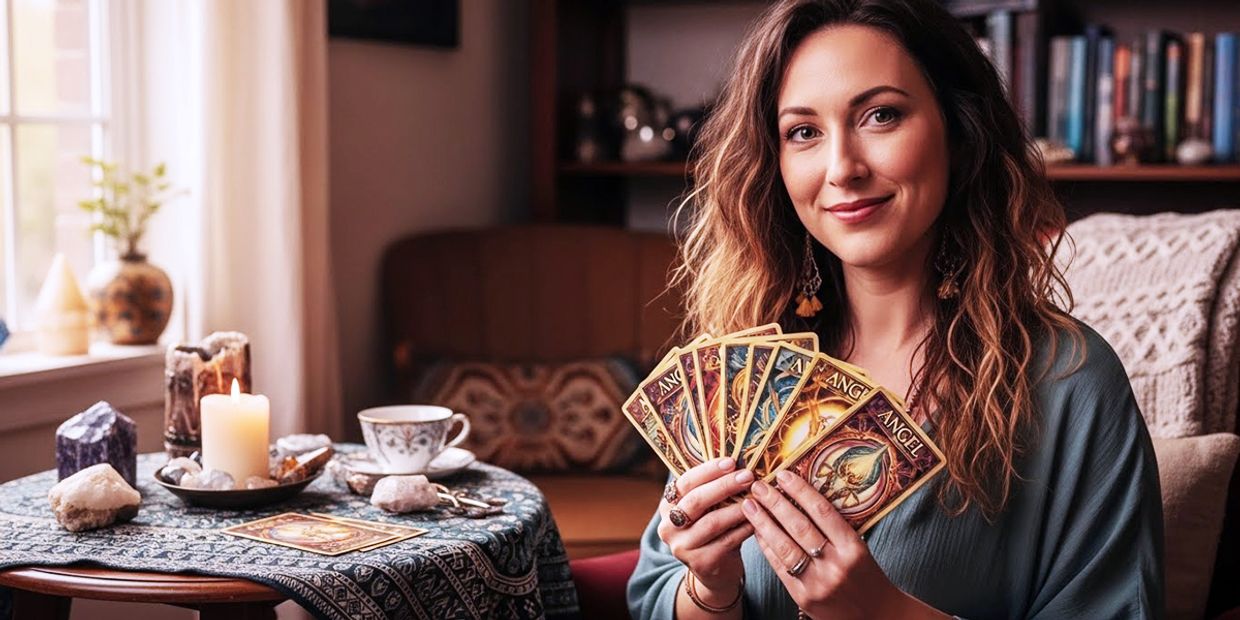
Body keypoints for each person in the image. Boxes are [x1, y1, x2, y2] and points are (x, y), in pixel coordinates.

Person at [626, 0, 1166, 618]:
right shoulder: (744, 367)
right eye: (804, 132)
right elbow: (655, 597)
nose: (842, 169)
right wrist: (708, 589)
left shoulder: (1071, 382)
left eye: (881, 116)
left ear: (959, 135)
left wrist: (881, 611)